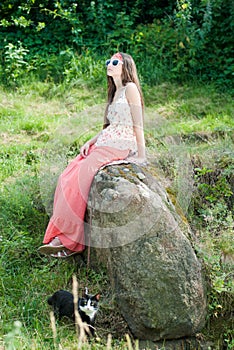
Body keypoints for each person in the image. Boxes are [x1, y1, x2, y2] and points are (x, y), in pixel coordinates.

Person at [38, 52, 146, 258]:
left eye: (115, 62)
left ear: (126, 67)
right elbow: (110, 125)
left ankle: (69, 241)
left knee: (80, 179)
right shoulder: (115, 92)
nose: (110, 65)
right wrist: (91, 140)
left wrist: (141, 156)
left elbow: (138, 124)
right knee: (67, 176)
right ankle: (59, 233)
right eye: (108, 62)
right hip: (106, 142)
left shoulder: (130, 89)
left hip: (120, 144)